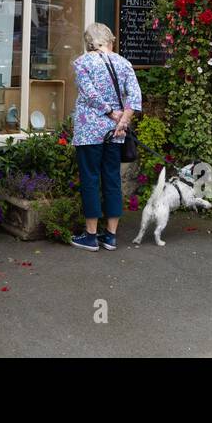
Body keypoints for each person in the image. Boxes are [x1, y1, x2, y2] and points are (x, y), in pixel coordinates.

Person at [69, 22, 142, 251]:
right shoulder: (124, 63)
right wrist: (123, 120)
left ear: (89, 42)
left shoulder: (82, 63)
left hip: (89, 129)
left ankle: (91, 236)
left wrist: (110, 112)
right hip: (116, 132)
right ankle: (110, 236)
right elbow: (135, 95)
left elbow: (88, 93)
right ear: (109, 39)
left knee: (90, 179)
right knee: (112, 179)